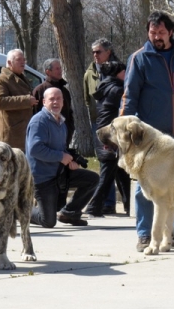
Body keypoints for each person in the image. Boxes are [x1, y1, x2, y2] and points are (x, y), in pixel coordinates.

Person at [120, 11, 174, 252]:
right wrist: (126, 129)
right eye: (152, 32)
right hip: (149, 139)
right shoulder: (139, 58)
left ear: (170, 32)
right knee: (145, 186)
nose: (156, 37)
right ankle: (145, 235)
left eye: (161, 32)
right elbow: (130, 96)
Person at [27, 88, 98, 228]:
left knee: (92, 179)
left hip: (59, 174)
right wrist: (61, 157)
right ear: (44, 102)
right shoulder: (39, 122)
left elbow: (61, 149)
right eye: (52, 99)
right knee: (48, 221)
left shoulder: (61, 122)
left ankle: (70, 213)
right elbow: (35, 149)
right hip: (42, 178)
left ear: (63, 102)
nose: (55, 102)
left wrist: (70, 161)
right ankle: (19, 210)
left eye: (59, 99)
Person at [85, 61, 131, 217]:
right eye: (125, 72)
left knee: (122, 173)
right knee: (107, 175)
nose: (127, 75)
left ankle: (129, 206)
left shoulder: (104, 86)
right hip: (110, 137)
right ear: (118, 73)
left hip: (106, 135)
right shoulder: (117, 90)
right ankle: (93, 207)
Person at [83, 38, 121, 215]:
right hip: (100, 122)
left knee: (114, 166)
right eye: (93, 52)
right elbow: (87, 98)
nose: (95, 55)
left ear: (108, 52)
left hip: (111, 126)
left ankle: (107, 204)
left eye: (98, 51)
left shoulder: (116, 71)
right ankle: (100, 204)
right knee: (108, 164)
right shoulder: (90, 73)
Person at [0, 49, 38, 152]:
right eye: (19, 59)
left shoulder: (22, 78)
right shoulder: (1, 80)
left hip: (23, 132)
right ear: (9, 63)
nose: (23, 62)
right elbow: (0, 102)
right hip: (11, 135)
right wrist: (26, 100)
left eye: (24, 59)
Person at [33, 59, 75, 147]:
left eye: (60, 68)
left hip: (64, 136)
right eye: (57, 69)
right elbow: (34, 113)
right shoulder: (40, 90)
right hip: (47, 138)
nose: (60, 71)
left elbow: (69, 112)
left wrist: (70, 129)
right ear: (48, 72)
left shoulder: (64, 91)